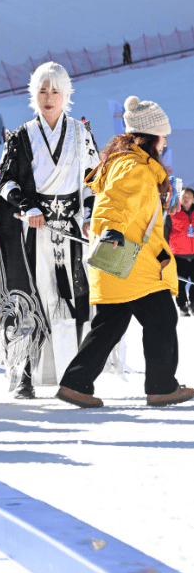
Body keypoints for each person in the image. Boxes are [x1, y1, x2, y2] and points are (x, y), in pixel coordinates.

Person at [56, 96, 193, 409]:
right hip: (131, 261)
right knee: (161, 318)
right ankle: (161, 387)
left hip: (128, 260)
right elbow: (114, 203)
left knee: (110, 325)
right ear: (150, 138)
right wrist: (112, 231)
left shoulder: (130, 164)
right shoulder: (134, 167)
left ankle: (76, 384)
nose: (164, 144)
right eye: (162, 138)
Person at [0, 62, 99, 399]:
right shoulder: (21, 136)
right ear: (33, 94)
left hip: (70, 235)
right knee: (31, 300)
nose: (48, 97)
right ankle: (22, 373)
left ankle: (73, 375)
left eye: (55, 90)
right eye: (42, 90)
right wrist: (29, 207)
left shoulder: (81, 134)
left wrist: (88, 214)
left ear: (66, 94)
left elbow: (93, 181)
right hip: (32, 234)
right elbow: (6, 183)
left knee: (70, 302)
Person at [164, 187, 194, 315]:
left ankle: (193, 304)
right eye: (184, 196)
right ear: (179, 198)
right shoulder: (172, 213)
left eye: (189, 196)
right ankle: (182, 307)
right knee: (179, 285)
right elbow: (164, 235)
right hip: (178, 256)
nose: (186, 199)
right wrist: (165, 254)